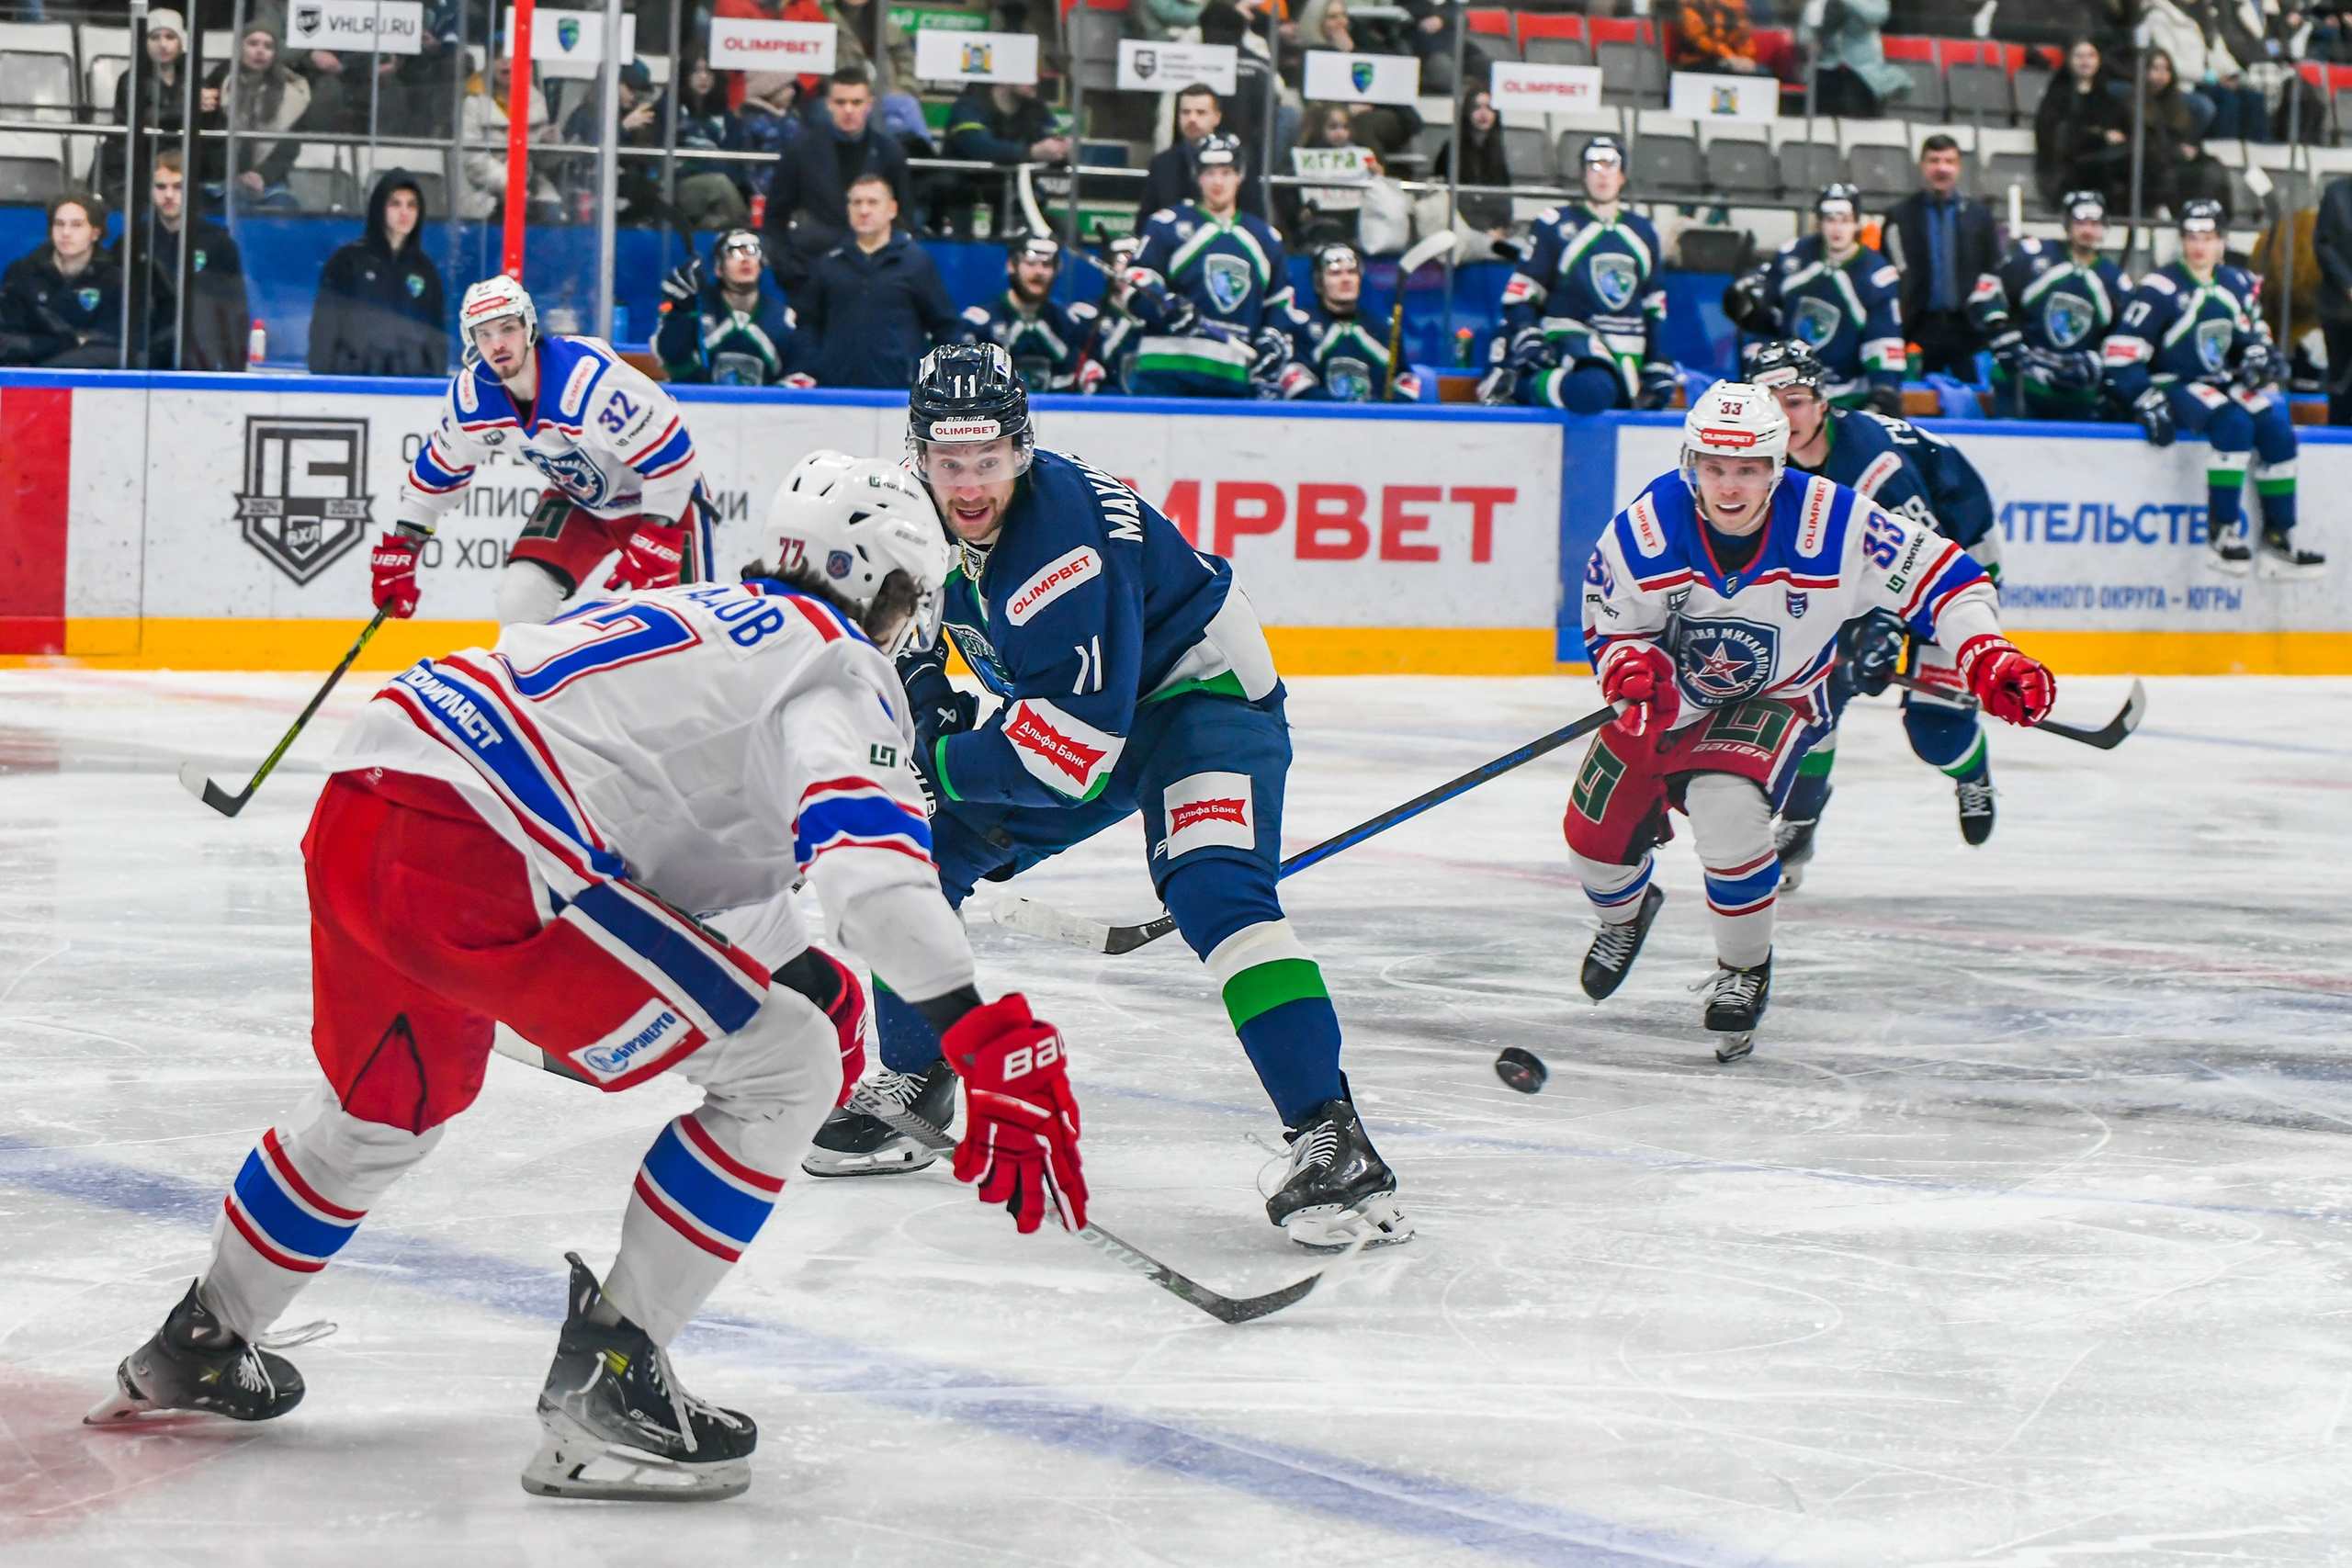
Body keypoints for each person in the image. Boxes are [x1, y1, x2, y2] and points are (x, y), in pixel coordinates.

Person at [89, 456, 1091, 1506]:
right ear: (890, 584)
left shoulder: (705, 612)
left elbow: (683, 843)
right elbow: (869, 877)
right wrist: (980, 1032)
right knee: (787, 1069)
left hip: (367, 800)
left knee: (383, 1110)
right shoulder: (836, 660)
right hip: (488, 854)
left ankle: (205, 1336)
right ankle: (609, 1385)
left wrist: (797, 975)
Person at [805, 343, 1413, 1252]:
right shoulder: (918, 517)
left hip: (1198, 699)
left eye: (989, 461)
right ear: (918, 454)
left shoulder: (1062, 546)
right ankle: (915, 1076)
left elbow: (1069, 759)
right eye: (947, 461)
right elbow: (922, 655)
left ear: (1021, 449)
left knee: (1216, 892)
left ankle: (1333, 1137)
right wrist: (921, 733)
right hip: (1085, 716)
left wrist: (939, 759)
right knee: (919, 855)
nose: (968, 484)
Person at [1568, 381, 2053, 1061]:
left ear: (1776, 466)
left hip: (1779, 692)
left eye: (1747, 470)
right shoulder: (1647, 527)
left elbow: (1947, 578)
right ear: (1691, 463)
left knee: (1726, 808)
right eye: (1713, 468)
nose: (1729, 487)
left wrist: (1983, 649)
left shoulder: (1837, 521)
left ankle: (1743, 969)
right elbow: (1610, 617)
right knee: (1593, 839)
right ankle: (1624, 913)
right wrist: (1628, 664)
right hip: (1671, 698)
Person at [1742, 339, 2005, 869]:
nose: (1784, 416)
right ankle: (1803, 816)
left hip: (1952, 569)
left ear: (1821, 402)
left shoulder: (1873, 465)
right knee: (1808, 697)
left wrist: (1882, 629)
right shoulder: (1757, 466)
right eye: (1770, 403)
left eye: (1794, 400)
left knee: (1937, 731)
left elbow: (1921, 568)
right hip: (1856, 577)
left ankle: (1972, 773)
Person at [372, 277, 714, 630]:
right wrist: (403, 548)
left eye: (507, 328)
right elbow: (436, 477)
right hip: (581, 503)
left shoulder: (587, 382)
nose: (498, 344)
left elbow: (673, 455)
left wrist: (656, 534)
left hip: (662, 500)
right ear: (470, 340)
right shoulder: (472, 400)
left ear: (529, 327)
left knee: (683, 630)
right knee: (520, 602)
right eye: (484, 334)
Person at [2104, 199, 2327, 577]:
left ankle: (2278, 541)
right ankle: (2221, 533)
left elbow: (2254, 335)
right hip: (2174, 381)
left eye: (2207, 237)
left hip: (2222, 380)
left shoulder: (2236, 282)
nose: (2199, 246)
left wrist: (2261, 355)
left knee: (2277, 433)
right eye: (2191, 237)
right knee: (2234, 426)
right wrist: (2143, 395)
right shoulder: (2160, 287)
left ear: (2222, 241)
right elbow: (2120, 352)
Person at [1483, 137, 1675, 413]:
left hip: (1628, 350)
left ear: (1622, 175)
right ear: (1583, 174)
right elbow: (1521, 295)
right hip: (1572, 340)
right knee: (1594, 389)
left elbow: (1653, 305)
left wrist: (1656, 361)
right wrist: (1529, 333)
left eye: (1610, 165)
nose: (1602, 173)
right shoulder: (1554, 223)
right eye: (1594, 165)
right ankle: (1520, 385)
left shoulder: (1643, 231)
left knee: (1653, 398)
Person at [1125, 134, 1304, 399]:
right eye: (1209, 173)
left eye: (1226, 172)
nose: (1218, 182)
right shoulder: (1166, 225)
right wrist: (1164, 307)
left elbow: (1279, 301)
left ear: (1240, 176)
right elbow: (1136, 283)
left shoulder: (1264, 238)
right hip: (1166, 373)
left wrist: (1271, 337)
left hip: (1232, 375)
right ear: (1197, 176)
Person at [1723, 183, 1905, 414]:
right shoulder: (1792, 258)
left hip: (1849, 398)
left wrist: (1884, 389)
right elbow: (1769, 324)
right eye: (1830, 219)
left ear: (1857, 222)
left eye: (1845, 219)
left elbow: (1883, 338)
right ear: (1819, 221)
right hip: (1791, 394)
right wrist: (1754, 358)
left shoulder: (1878, 274)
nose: (1837, 228)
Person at [787, 173, 967, 389]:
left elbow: (946, 327)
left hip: (899, 394)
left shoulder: (915, 263)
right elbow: (808, 324)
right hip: (837, 395)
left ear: (892, 209)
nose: (864, 210)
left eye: (872, 202)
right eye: (857, 202)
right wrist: (814, 366)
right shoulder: (829, 264)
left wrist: (938, 381)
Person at [1969, 189, 2128, 422]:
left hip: (2077, 399)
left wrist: (2096, 364)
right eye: (2080, 221)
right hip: (2021, 386)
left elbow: (2123, 338)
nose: (2088, 230)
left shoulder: (2114, 280)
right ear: (2067, 224)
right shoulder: (2033, 256)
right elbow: (1986, 292)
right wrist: (2003, 335)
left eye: (2095, 223)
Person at [759, 70, 912, 290]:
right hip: (811, 276)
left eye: (856, 102)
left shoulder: (890, 153)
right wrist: (789, 270)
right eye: (840, 102)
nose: (848, 110)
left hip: (873, 280)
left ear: (869, 104)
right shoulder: (801, 151)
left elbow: (903, 219)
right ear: (828, 104)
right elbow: (774, 218)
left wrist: (889, 271)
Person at [1881, 135, 2000, 379]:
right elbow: (1888, 271)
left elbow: (1992, 269)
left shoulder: (1980, 216)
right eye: (1934, 160)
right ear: (1922, 165)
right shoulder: (1900, 216)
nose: (1942, 168)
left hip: (1967, 328)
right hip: (1917, 329)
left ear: (1958, 167)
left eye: (1949, 161)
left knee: (1972, 402)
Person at [308, 170, 447, 378]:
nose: (404, 212)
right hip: (355, 386)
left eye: (411, 205)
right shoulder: (347, 262)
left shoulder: (425, 270)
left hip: (410, 390)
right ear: (379, 208)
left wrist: (431, 377)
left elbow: (436, 338)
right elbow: (324, 332)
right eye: (395, 204)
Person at [127, 149, 250, 372]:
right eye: (161, 187)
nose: (169, 195)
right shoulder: (133, 242)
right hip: (144, 361)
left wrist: (235, 369)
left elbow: (234, 311)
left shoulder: (219, 244)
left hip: (200, 361)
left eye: (178, 186)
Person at [100, 7, 221, 209]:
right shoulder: (132, 78)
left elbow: (206, 124)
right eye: (155, 37)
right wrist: (188, 107)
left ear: (181, 41)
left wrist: (210, 107)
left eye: (170, 37)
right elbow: (144, 120)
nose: (162, 44)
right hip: (137, 165)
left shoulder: (193, 77)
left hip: (180, 163)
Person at [961, 233, 1102, 393]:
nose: (1039, 271)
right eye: (1030, 262)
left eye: (1047, 264)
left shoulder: (1067, 324)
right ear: (1011, 265)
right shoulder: (980, 324)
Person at [656, 229, 797, 386]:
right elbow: (673, 363)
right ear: (718, 268)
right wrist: (680, 310)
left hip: (762, 410)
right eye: (734, 253)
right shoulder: (698, 309)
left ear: (760, 265)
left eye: (752, 252)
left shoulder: (781, 316)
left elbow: (797, 373)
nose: (745, 259)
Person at [1, 193, 122, 368]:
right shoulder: (22, 273)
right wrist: (69, 342)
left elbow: (113, 347)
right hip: (30, 381)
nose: (65, 233)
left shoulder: (115, 280)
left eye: (76, 225)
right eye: (59, 224)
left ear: (95, 233)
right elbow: (6, 339)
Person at [1284, 241, 1418, 400]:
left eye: (1352, 272)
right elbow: (1294, 383)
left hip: (1375, 424)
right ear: (1318, 284)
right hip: (1319, 423)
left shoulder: (1384, 328)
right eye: (1335, 273)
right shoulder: (1300, 326)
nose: (1346, 279)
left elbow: (1407, 382)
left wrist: (1379, 409)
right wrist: (1344, 410)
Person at [941, 78, 1069, 239]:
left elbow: (1054, 140)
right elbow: (980, 148)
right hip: (965, 202)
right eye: (1026, 72)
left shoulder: (1037, 109)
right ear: (1006, 75)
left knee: (1068, 233)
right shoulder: (969, 105)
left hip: (1020, 202)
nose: (1035, 79)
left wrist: (1062, 150)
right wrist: (1031, 152)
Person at [206, 19, 311, 213]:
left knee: (285, 211)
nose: (260, 51)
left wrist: (262, 176)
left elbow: (289, 148)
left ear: (275, 53)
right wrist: (236, 175)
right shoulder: (220, 80)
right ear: (241, 47)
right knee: (231, 206)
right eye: (253, 43)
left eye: (268, 46)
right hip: (222, 179)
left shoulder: (292, 94)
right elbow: (208, 136)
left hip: (270, 183)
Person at [1139, 84, 1266, 227]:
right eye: (1185, 112)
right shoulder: (1162, 163)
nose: (1192, 119)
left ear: (1217, 117)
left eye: (1201, 112)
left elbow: (1256, 219)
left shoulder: (1238, 162)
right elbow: (1145, 222)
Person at [2034, 38, 2132, 212]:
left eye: (2090, 56)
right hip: (2067, 167)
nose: (2085, 61)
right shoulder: (2057, 95)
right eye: (2079, 56)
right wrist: (2098, 136)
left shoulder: (2106, 98)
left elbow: (2122, 130)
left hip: (2103, 162)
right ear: (2069, 60)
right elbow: (2055, 134)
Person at [457, 54, 558, 222]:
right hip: (483, 190)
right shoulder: (473, 104)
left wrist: (550, 145)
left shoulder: (537, 102)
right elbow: (473, 160)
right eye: (498, 56)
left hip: (531, 187)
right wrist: (511, 184)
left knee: (556, 214)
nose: (505, 62)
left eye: (513, 56)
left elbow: (544, 164)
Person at [672, 59, 752, 231]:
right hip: (681, 185)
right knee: (720, 183)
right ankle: (746, 230)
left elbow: (734, 159)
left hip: (720, 185)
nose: (703, 78)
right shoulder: (671, 109)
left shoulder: (725, 116)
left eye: (708, 73)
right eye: (697, 72)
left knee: (713, 222)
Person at [1799, 0, 1908, 118]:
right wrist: (1811, 42)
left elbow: (1878, 15)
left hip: (1863, 69)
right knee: (1821, 87)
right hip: (1827, 65)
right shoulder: (1818, 3)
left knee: (1854, 91)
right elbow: (1805, 33)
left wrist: (1846, 2)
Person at [1435, 88, 1511, 241]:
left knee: (1519, 249)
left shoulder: (1498, 150)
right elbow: (1454, 201)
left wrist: (1499, 228)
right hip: (1459, 228)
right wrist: (1484, 229)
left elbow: (1503, 198)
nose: (1484, 114)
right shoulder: (1452, 148)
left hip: (1491, 231)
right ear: (1467, 112)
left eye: (1489, 108)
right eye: (1477, 108)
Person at [2311, 169, 2352, 425]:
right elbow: (2323, 244)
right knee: (2340, 381)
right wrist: (2348, 284)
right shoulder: (2336, 193)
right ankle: (2337, 438)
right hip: (2338, 308)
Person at [1669, 0, 1761, 73]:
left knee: (1763, 73)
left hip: (1726, 61)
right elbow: (1697, 38)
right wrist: (1728, 56)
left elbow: (1742, 35)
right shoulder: (1690, 4)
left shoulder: (1733, 4)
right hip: (1696, 62)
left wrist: (1744, 58)